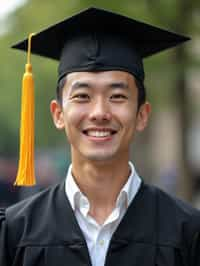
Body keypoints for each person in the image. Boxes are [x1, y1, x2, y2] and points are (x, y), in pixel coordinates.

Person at [0, 7, 200, 266]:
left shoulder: (188, 233)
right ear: (58, 114)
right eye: (82, 96)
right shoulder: (16, 234)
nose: (100, 113)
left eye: (117, 96)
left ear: (142, 114)